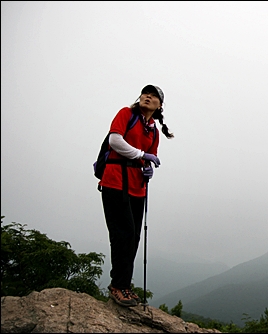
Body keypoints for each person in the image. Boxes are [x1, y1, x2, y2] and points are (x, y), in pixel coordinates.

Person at [99, 84, 174, 307]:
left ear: (160, 106)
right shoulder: (126, 114)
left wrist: (148, 168)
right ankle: (118, 286)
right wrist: (143, 154)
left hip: (137, 186)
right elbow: (115, 140)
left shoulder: (152, 130)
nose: (147, 96)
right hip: (115, 181)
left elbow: (150, 158)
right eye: (145, 93)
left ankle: (124, 285)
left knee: (133, 238)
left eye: (153, 96)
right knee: (123, 234)